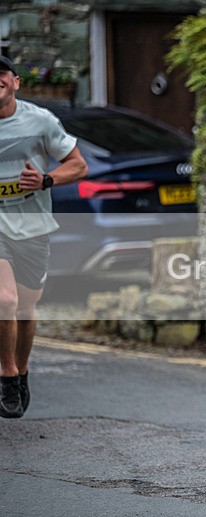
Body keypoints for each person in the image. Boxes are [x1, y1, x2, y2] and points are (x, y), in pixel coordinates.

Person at [0, 55, 87, 418]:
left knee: (25, 307)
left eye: (0, 74)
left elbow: (78, 165)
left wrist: (46, 179)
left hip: (33, 227)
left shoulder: (40, 121)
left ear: (15, 82)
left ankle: (21, 371)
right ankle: (6, 375)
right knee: (5, 301)